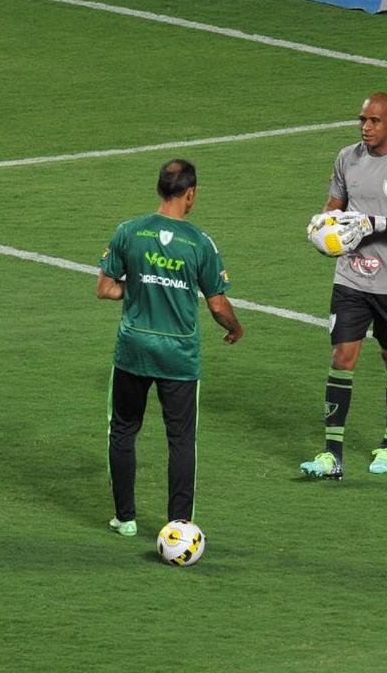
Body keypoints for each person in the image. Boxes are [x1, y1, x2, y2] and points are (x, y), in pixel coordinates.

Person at [96, 159, 243, 538]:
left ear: (160, 188)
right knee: (180, 440)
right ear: (190, 193)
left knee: (124, 431)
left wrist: (143, 285)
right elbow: (217, 305)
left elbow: (106, 288)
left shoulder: (128, 232)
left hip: (134, 349)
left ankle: (125, 518)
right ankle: (178, 524)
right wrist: (236, 328)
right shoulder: (199, 243)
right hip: (178, 357)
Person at [300, 92, 387, 480]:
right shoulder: (347, 158)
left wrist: (376, 223)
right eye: (362, 120)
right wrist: (323, 227)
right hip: (352, 276)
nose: (366, 127)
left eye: (375, 121)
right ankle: (332, 455)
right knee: (342, 356)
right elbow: (335, 205)